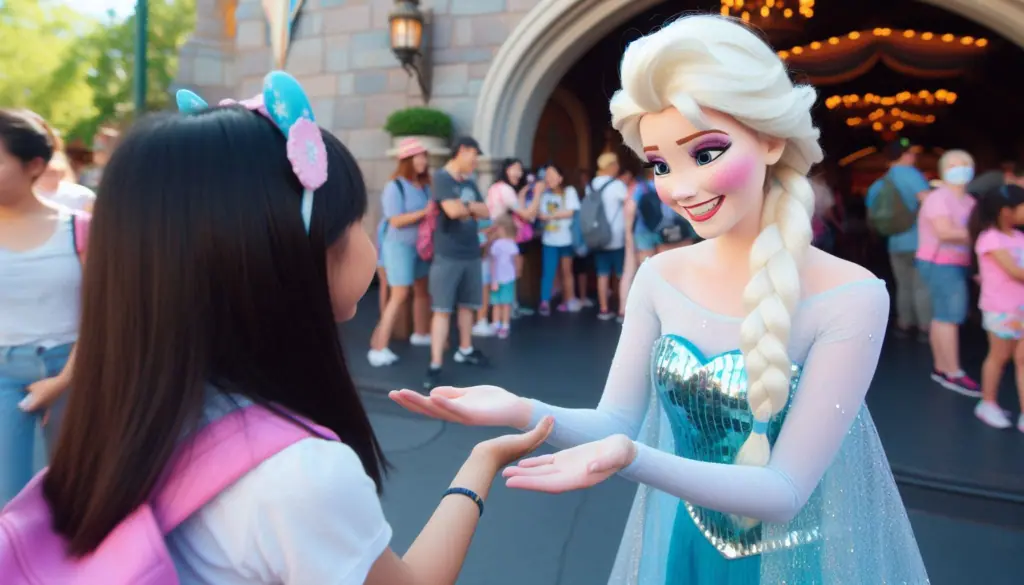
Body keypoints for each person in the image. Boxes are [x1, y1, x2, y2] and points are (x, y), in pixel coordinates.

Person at [391, 14, 927, 585]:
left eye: (706, 153)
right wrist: (520, 408)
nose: (680, 188)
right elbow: (615, 420)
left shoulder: (852, 297)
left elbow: (784, 490)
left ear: (772, 140)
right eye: (661, 164)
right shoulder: (660, 277)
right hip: (687, 548)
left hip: (797, 566)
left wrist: (634, 458)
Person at [11, 75, 552, 584]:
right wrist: (482, 463)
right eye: (355, 219)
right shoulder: (300, 476)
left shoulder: (122, 416)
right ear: (301, 250)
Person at [0, 110, 84, 505]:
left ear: (34, 165)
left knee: (76, 496)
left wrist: (64, 380)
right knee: (9, 500)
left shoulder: (80, 227)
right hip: (3, 373)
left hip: (76, 370)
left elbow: (103, 316)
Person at [425, 137, 491, 389]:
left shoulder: (470, 182)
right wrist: (469, 208)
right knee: (442, 309)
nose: (475, 161)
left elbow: (486, 211)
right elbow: (451, 212)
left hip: (471, 253)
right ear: (462, 151)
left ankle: (465, 349)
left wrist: (465, 206)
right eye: (474, 155)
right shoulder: (442, 178)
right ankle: (435, 364)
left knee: (467, 306)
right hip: (448, 254)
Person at [916, 149, 979, 396]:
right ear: (943, 171)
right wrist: (983, 233)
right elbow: (945, 232)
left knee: (942, 316)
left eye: (964, 164)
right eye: (953, 165)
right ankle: (953, 372)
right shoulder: (938, 198)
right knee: (949, 317)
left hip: (958, 262)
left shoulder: (970, 201)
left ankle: (942, 368)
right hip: (940, 262)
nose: (959, 169)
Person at [368, 138, 433, 367]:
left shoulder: (425, 186)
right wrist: (425, 212)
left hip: (421, 246)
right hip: (399, 247)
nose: (423, 161)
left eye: (424, 156)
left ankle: (421, 333)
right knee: (399, 294)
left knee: (422, 289)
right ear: (407, 160)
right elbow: (395, 220)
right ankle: (378, 347)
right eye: (418, 157)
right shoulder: (394, 187)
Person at [970, 186, 1024, 431]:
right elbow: (1015, 271)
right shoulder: (990, 239)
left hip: (1020, 307)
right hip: (1001, 309)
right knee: (999, 356)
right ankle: (988, 403)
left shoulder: (1019, 237)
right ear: (1006, 211)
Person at [865, 142, 932, 342]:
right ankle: (925, 326)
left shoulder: (879, 183)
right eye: (912, 153)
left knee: (903, 285)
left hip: (894, 242)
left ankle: (904, 323)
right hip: (919, 241)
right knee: (921, 285)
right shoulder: (912, 175)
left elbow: (871, 214)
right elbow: (928, 202)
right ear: (905, 155)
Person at [588, 153, 628, 320]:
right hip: (616, 235)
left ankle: (603, 309)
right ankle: (621, 309)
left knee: (602, 274)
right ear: (610, 166)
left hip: (597, 235)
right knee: (621, 273)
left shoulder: (591, 184)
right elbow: (628, 203)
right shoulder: (617, 185)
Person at [538, 164, 582, 315]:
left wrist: (550, 216)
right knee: (548, 272)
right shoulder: (544, 195)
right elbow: (539, 214)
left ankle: (568, 300)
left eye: (552, 175)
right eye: (546, 175)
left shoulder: (569, 191)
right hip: (549, 240)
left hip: (566, 239)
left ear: (560, 178)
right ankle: (545, 301)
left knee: (566, 271)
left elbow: (571, 212)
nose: (548, 178)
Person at [488, 214, 519, 338]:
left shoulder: (510, 244)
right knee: (497, 303)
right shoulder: (497, 245)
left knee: (504, 303)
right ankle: (497, 324)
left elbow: (515, 261)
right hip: (499, 278)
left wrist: (515, 273)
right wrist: (493, 279)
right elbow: (493, 262)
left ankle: (504, 325)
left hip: (506, 278)